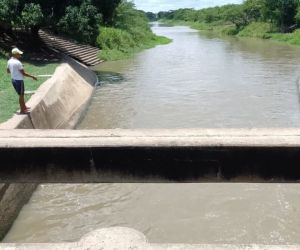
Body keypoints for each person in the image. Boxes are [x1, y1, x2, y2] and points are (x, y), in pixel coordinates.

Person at [7, 48, 37, 114]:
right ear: (15, 54)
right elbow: (23, 73)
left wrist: (15, 69)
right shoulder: (18, 62)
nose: (20, 55)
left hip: (13, 80)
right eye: (19, 54)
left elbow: (8, 71)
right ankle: (22, 110)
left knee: (21, 95)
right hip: (19, 81)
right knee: (21, 96)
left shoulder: (9, 61)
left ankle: (24, 107)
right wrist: (32, 76)